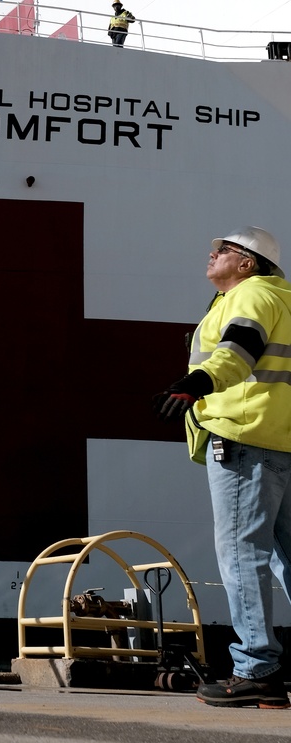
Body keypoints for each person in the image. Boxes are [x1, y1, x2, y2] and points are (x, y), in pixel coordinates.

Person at [154, 227, 291, 708]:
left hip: (243, 437)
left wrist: (199, 379)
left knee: (242, 554)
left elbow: (239, 348)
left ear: (248, 263)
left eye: (224, 251)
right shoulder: (286, 298)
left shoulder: (250, 295)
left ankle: (257, 668)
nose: (212, 255)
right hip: (285, 443)